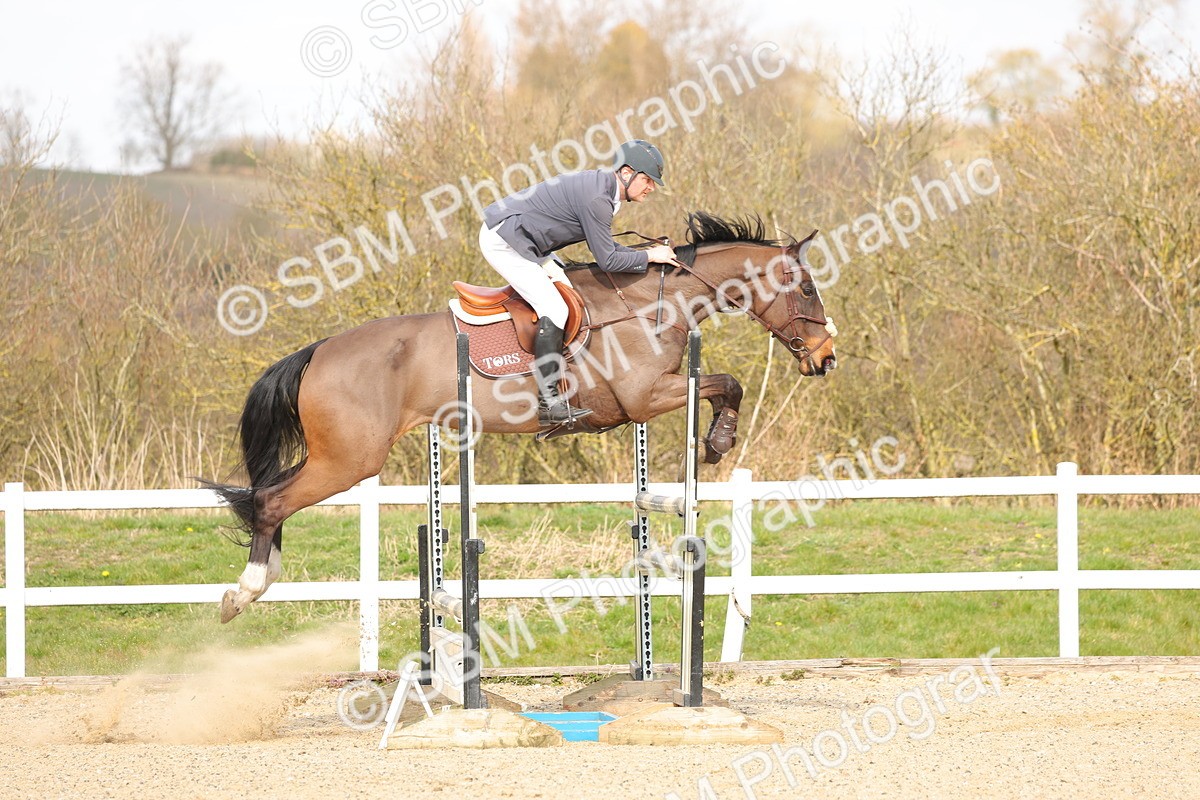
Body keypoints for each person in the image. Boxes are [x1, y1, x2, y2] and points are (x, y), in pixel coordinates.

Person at [480, 139, 677, 426]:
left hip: (532, 242)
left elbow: (608, 251)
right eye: (647, 179)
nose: (651, 187)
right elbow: (609, 260)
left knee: (576, 298)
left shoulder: (608, 194)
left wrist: (647, 255)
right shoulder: (599, 199)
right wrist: (650, 256)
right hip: (506, 240)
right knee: (555, 308)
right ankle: (548, 402)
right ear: (626, 173)